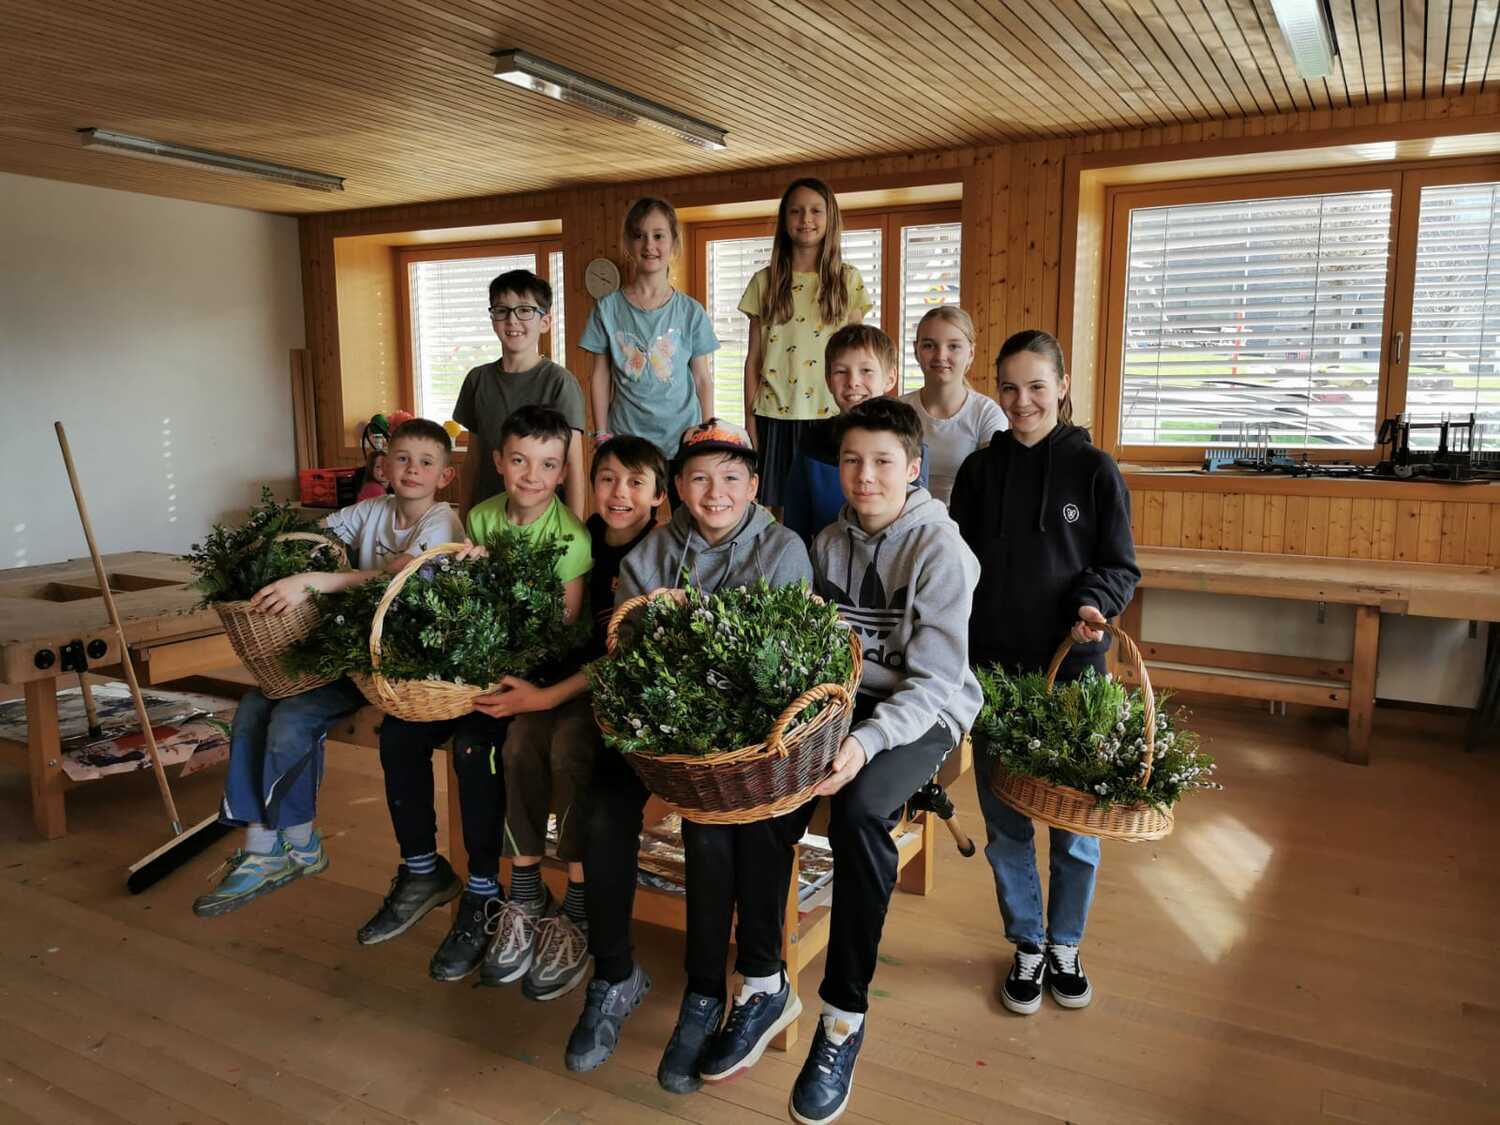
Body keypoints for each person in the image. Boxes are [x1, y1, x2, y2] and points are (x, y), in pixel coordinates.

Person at [564, 420, 813, 1097]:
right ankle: (614, 973)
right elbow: (626, 646)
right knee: (602, 811)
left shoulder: (783, 549)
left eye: (731, 477)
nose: (715, 491)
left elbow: (779, 663)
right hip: (655, 730)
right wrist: (655, 623)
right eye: (699, 478)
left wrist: (688, 620)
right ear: (677, 486)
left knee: (710, 828)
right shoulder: (653, 551)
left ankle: (704, 994)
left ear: (754, 485)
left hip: (740, 739)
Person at [787, 398, 982, 1124]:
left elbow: (932, 684)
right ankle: (763, 980)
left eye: (881, 462)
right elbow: (817, 649)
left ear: (913, 468)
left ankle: (842, 1017)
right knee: (768, 793)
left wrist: (864, 743)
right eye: (851, 461)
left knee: (861, 811)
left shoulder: (941, 550)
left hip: (929, 707)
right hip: (850, 697)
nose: (864, 476)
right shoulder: (825, 542)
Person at [358, 406, 591, 988]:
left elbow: (560, 627)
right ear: (497, 462)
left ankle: (485, 891)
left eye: (547, 465)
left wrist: (497, 602)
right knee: (398, 735)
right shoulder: (481, 516)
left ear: (563, 471)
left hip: (521, 678)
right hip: (465, 669)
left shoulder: (570, 536)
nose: (532, 476)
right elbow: (459, 593)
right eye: (520, 461)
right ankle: (421, 868)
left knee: (475, 750)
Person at [194, 418, 463, 917]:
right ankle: (261, 844)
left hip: (389, 665)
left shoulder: (441, 523)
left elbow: (399, 575)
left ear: (445, 476)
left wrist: (318, 581)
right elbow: (311, 537)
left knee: (292, 716)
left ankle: (299, 842)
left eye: (426, 462)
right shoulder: (372, 510)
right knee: (253, 705)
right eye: (402, 458)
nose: (412, 470)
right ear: (383, 466)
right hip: (343, 648)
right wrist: (276, 562)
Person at [949, 329, 1140, 1017]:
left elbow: (1119, 566)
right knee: (1006, 822)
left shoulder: (1094, 469)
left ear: (1062, 386)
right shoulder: (978, 472)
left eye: (1036, 386)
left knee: (1075, 824)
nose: (1022, 400)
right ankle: (1026, 941)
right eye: (1009, 387)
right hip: (994, 675)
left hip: (1073, 673)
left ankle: (1066, 943)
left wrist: (1094, 603)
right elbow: (956, 569)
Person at [467, 434, 667, 1003]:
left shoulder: (658, 553)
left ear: (659, 495)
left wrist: (547, 697)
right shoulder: (581, 537)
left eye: (636, 482)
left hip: (613, 693)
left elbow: (625, 658)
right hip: (557, 679)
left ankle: (578, 908)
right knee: (517, 742)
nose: (619, 492)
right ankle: (525, 889)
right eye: (607, 479)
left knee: (570, 748)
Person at [739, 177, 871, 509]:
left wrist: (860, 415)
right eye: (796, 211)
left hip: (833, 414)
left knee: (832, 507)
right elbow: (754, 359)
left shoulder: (848, 280)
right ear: (784, 219)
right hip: (774, 415)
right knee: (778, 509)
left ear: (830, 218)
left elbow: (859, 358)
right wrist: (750, 422)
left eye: (815, 211)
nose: (805, 219)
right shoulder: (765, 282)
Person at [583, 197, 718, 460]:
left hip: (683, 440)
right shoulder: (607, 309)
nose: (649, 245)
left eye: (658, 236)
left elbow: (702, 378)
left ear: (674, 243)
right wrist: (601, 433)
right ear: (627, 243)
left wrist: (707, 432)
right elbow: (600, 375)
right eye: (639, 236)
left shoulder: (691, 311)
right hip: (627, 442)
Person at [453, 268, 588, 520]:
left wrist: (575, 529)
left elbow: (573, 466)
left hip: (544, 522)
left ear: (545, 322)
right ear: (493, 319)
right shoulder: (477, 379)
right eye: (502, 310)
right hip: (487, 519)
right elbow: (473, 460)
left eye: (525, 310)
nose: (512, 320)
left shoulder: (560, 382)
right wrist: (463, 518)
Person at [782, 323, 927, 544]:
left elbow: (916, 522)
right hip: (827, 559)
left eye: (866, 371)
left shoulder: (907, 439)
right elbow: (796, 526)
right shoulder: (812, 441)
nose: (853, 382)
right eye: (841, 372)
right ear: (828, 380)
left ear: (890, 377)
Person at [899, 306, 1007, 505]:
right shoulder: (898, 410)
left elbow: (992, 486)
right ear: (916, 350)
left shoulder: (987, 414)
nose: (940, 355)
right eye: (929, 345)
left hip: (963, 521)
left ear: (971, 353)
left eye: (954, 346)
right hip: (905, 519)